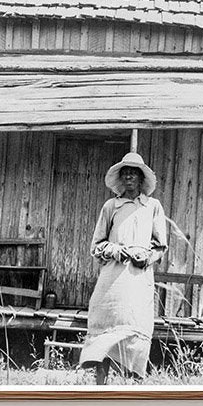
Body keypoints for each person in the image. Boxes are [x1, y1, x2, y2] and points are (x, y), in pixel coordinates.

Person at [79, 151, 168, 384]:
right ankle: (100, 384)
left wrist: (146, 257)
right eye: (125, 174)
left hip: (138, 277)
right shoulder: (111, 206)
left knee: (135, 327)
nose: (129, 177)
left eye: (133, 174)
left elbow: (160, 247)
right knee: (106, 328)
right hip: (113, 278)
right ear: (121, 179)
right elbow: (96, 244)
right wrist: (115, 250)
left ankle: (131, 387)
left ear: (141, 179)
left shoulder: (153, 207)